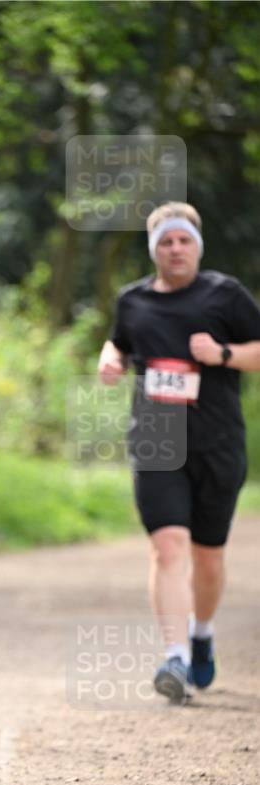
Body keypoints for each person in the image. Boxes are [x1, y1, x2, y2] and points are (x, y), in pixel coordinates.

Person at [97, 202, 260, 703]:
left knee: (208, 557)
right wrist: (111, 358)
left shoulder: (224, 294)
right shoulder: (133, 300)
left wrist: (224, 354)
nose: (175, 249)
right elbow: (119, 342)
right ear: (154, 249)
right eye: (166, 241)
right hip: (155, 437)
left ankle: (201, 633)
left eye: (183, 240)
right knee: (167, 546)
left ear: (196, 244)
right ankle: (174, 656)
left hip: (217, 441)